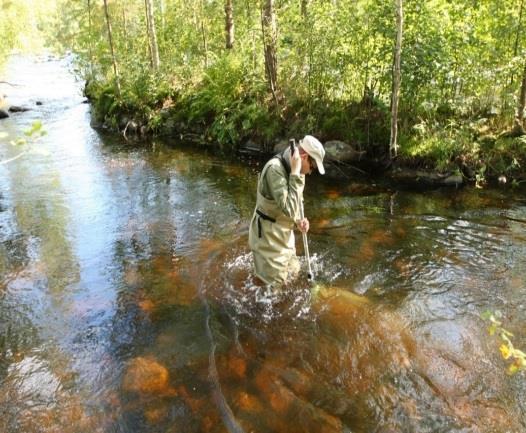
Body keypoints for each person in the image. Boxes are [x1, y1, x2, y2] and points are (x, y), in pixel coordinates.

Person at [248, 135, 325, 286]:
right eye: (313, 166)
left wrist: (299, 221)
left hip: (284, 235)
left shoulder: (299, 172)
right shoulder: (274, 170)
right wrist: (295, 174)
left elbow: (296, 204)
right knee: (271, 287)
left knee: (293, 275)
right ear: (303, 157)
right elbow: (289, 208)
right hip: (268, 237)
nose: (310, 172)